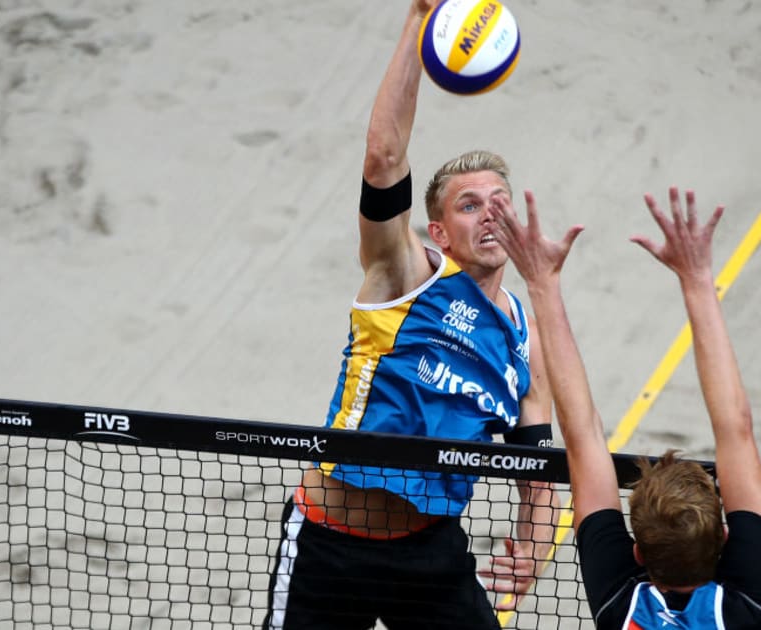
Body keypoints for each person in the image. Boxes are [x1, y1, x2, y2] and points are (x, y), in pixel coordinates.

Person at [262, 1, 558, 628]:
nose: (489, 213)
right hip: (329, 545)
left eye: (498, 201)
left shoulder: (524, 340)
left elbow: (536, 470)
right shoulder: (406, 274)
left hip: (430, 556)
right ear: (439, 232)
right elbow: (383, 159)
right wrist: (418, 20)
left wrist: (533, 543)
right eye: (469, 205)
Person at [488, 187, 761, 628]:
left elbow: (583, 437)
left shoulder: (620, 608)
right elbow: (735, 428)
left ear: (637, 554)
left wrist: (541, 282)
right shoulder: (758, 610)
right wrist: (698, 278)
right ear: (725, 539)